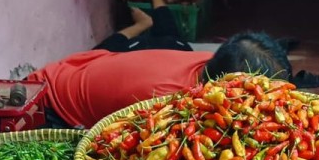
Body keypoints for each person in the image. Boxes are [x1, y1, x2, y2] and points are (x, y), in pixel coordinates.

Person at [29, 30, 294, 128]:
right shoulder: (166, 102)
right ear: (229, 86)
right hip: (48, 105)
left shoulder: (209, 63)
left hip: (74, 68)